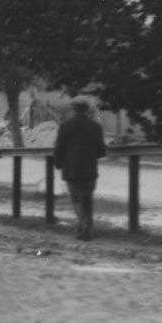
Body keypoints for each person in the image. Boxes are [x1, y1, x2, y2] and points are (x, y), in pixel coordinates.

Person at [53, 97, 107, 240]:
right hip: (90, 168)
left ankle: (83, 225)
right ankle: (86, 228)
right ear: (87, 109)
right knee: (87, 199)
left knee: (76, 199)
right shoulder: (96, 127)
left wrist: (58, 163)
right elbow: (101, 151)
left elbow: (59, 148)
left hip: (71, 169)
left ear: (73, 109)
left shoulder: (65, 126)